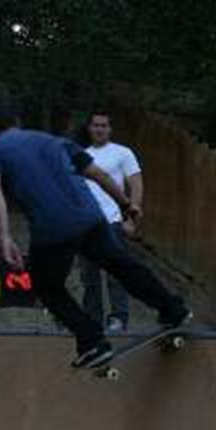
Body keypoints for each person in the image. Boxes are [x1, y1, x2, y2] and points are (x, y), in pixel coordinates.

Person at [0, 105, 191, 369]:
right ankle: (173, 309)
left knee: (47, 288)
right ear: (16, 122)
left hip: (53, 229)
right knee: (122, 265)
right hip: (91, 218)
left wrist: (4, 236)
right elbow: (98, 174)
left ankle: (92, 342)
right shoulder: (53, 141)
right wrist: (125, 204)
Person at [79, 111, 141, 332]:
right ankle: (92, 319)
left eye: (104, 125)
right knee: (88, 276)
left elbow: (135, 183)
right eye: (96, 125)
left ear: (110, 129)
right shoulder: (81, 155)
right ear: (89, 128)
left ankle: (118, 318)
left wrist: (131, 217)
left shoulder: (122, 153)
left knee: (116, 272)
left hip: (114, 220)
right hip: (86, 223)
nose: (99, 129)